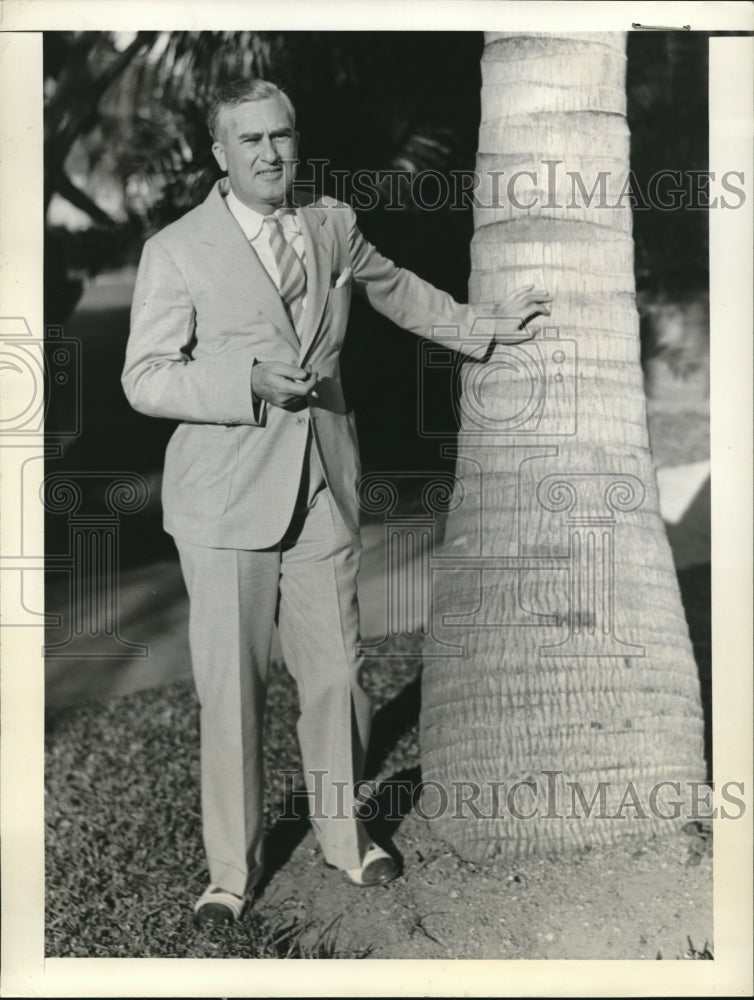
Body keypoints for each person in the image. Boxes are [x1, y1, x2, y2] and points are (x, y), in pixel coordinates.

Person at [122, 78, 552, 928]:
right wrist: (243, 380)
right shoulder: (175, 250)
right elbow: (144, 377)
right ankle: (230, 875)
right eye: (251, 141)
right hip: (222, 499)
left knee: (338, 675)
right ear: (221, 154)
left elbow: (394, 289)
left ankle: (345, 837)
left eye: (282, 135)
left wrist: (484, 326)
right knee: (233, 691)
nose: (272, 154)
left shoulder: (330, 222)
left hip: (323, 478)